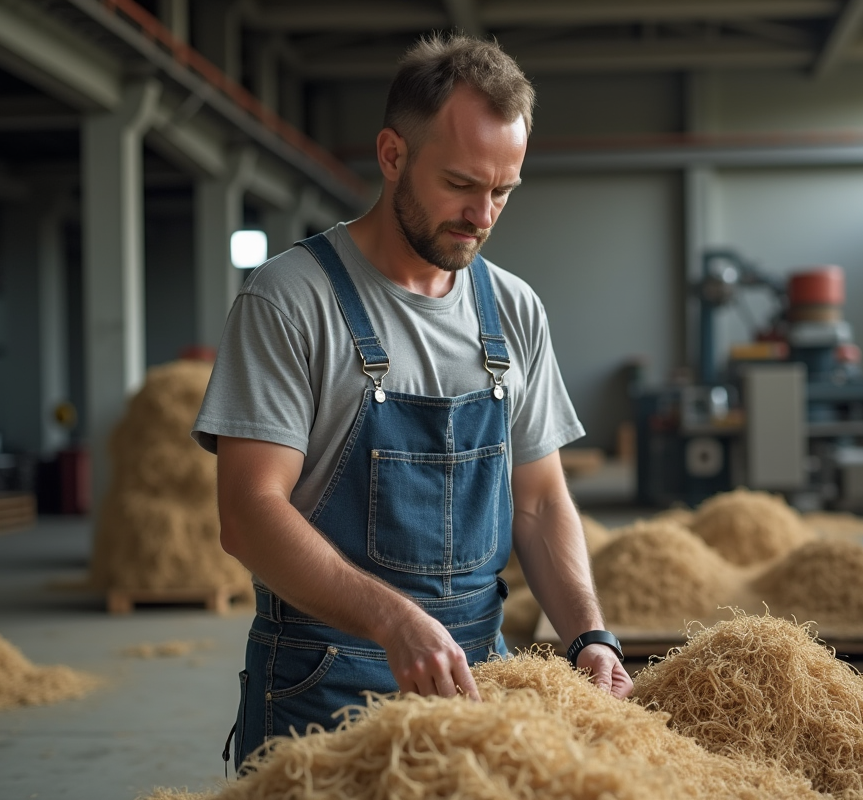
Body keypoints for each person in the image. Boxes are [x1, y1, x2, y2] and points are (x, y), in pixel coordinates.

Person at [191, 33, 632, 771]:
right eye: (461, 184)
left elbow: (539, 501)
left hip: (480, 681)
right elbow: (249, 515)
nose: (482, 215)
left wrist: (588, 633)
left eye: (503, 191)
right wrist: (394, 621)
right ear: (392, 155)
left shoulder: (513, 308)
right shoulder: (291, 299)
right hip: (325, 683)